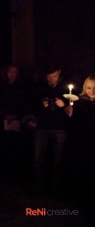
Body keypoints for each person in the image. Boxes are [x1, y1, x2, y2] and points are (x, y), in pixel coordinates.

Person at [31, 63, 69, 195]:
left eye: (54, 76)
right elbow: (33, 104)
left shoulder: (66, 86)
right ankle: (38, 188)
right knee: (38, 160)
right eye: (49, 77)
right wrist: (42, 104)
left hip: (60, 128)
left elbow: (74, 105)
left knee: (57, 160)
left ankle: (55, 189)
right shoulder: (40, 85)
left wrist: (64, 104)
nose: (51, 80)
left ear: (59, 72)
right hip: (43, 127)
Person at [63, 76, 95, 224]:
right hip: (84, 144)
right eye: (89, 88)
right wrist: (70, 114)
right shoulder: (80, 103)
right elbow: (75, 126)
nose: (92, 91)